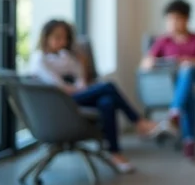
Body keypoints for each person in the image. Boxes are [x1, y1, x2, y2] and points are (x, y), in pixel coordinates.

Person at [29, 19, 172, 173]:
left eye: (65, 38)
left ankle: (115, 153)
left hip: (76, 98)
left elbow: (80, 80)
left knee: (107, 102)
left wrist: (81, 68)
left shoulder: (66, 57)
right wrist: (78, 88)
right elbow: (60, 88)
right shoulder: (39, 59)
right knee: (108, 86)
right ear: (46, 37)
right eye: (57, 37)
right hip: (59, 104)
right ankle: (139, 122)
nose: (62, 42)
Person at [140, 0, 195, 161]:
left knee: (187, 70)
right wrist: (157, 62)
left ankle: (174, 114)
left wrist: (188, 61)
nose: (172, 23)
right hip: (180, 85)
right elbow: (145, 65)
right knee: (189, 93)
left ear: (186, 19)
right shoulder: (163, 41)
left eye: (176, 19)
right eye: (169, 19)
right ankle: (189, 143)